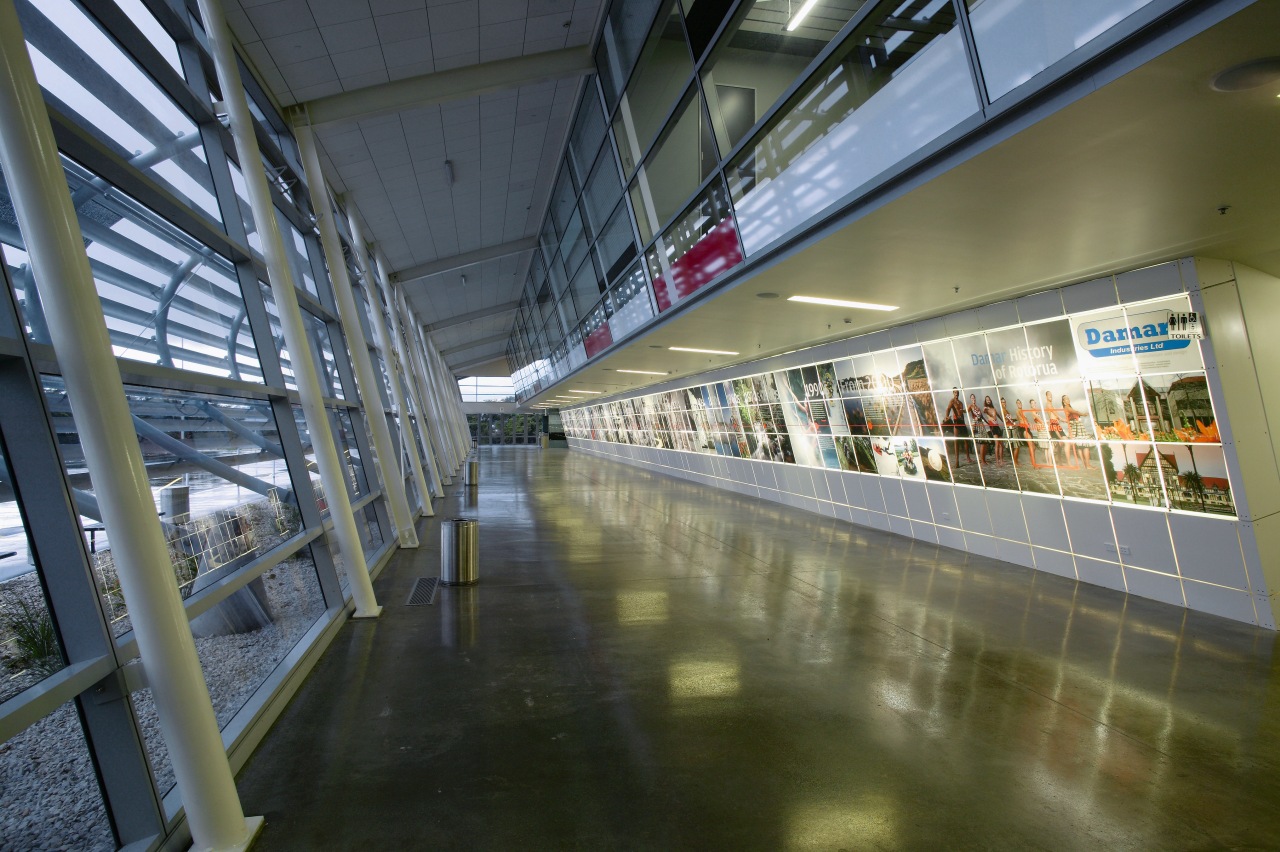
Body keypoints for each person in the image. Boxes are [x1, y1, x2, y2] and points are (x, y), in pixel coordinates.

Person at [1061, 394, 1092, 469]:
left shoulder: (1067, 407)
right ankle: (1087, 465)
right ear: (1064, 402)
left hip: (1075, 426)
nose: (1068, 400)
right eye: (1066, 399)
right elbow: (1075, 412)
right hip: (1076, 427)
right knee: (1084, 445)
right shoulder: (1067, 407)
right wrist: (1084, 414)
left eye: (1068, 398)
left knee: (1080, 446)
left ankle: (1086, 465)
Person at [943, 388, 971, 464]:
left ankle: (968, 458)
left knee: (966, 440)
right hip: (956, 422)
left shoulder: (961, 403)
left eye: (957, 392)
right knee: (956, 441)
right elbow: (948, 409)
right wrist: (946, 416)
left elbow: (962, 411)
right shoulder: (952, 401)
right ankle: (957, 461)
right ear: (953, 393)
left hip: (962, 422)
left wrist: (967, 410)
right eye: (955, 392)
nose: (956, 393)